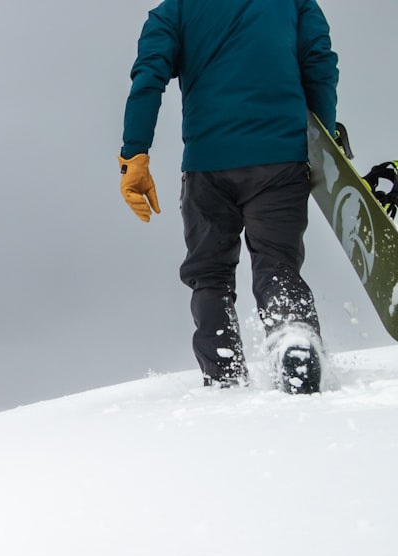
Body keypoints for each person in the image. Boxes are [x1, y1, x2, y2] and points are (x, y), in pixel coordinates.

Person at [118, 0, 339, 393]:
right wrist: (323, 138)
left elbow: (149, 75)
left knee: (210, 275)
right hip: (280, 159)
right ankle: (293, 336)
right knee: (277, 267)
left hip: (207, 167)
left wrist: (134, 153)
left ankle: (224, 375)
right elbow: (319, 61)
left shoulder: (175, 11)